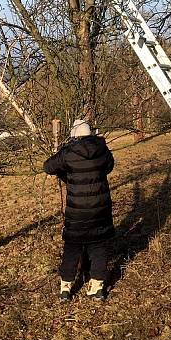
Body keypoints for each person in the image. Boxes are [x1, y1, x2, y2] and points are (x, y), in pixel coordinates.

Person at [43, 118, 115, 301]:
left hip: (77, 211)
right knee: (99, 246)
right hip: (101, 209)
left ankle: (65, 288)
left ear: (74, 136)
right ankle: (97, 288)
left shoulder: (69, 153)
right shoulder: (102, 150)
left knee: (72, 247)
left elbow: (48, 166)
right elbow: (109, 167)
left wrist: (65, 173)